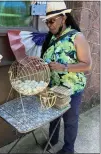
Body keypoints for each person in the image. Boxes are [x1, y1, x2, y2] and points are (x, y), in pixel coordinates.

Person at [40, 1, 92, 154]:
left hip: (72, 90)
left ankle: (69, 149)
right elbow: (48, 61)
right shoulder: (50, 38)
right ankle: (52, 140)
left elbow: (87, 65)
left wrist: (64, 67)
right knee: (53, 118)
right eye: (47, 21)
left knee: (70, 120)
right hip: (54, 87)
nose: (49, 24)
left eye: (52, 20)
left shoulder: (77, 37)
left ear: (63, 18)